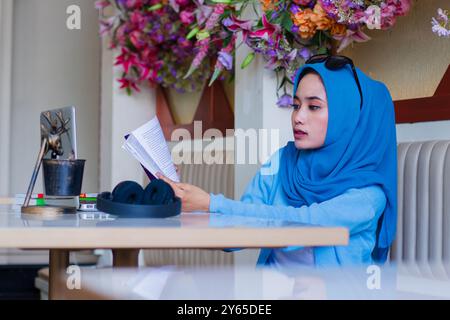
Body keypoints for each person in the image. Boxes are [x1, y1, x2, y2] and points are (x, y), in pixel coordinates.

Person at [158, 54, 398, 267]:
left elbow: (305, 225)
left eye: (314, 106)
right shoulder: (281, 161)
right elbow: (237, 230)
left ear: (348, 117)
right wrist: (178, 200)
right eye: (296, 105)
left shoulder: (368, 195)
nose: (298, 117)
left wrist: (208, 203)